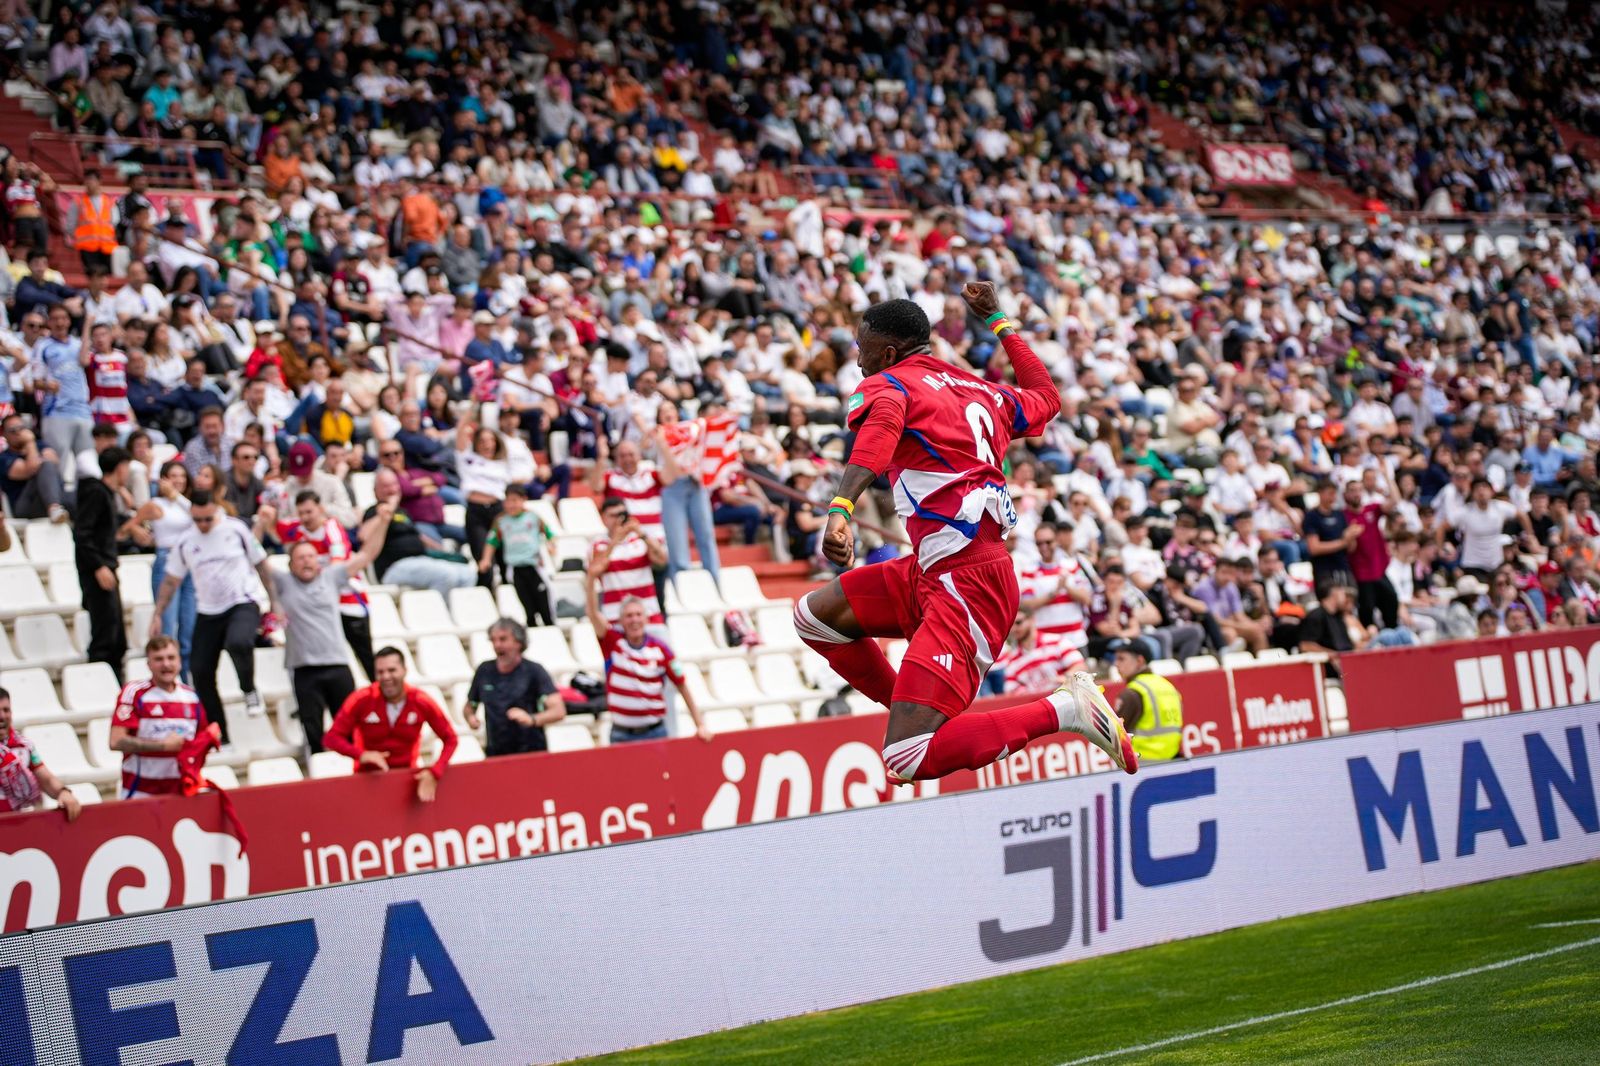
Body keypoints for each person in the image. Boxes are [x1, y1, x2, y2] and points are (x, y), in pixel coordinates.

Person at [795, 283, 1134, 781]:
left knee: (905, 759)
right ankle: (914, 712)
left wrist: (842, 506)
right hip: (937, 570)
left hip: (968, 585)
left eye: (863, 349)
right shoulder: (979, 389)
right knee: (814, 618)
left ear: (888, 352)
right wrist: (998, 319)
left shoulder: (889, 384)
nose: (859, 360)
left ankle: (1066, 710)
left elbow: (880, 432)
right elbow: (1046, 396)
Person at [151, 488, 280, 740]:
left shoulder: (236, 529)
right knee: (199, 670)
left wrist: (275, 602)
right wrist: (157, 613)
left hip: (242, 601)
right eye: (197, 520)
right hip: (209, 610)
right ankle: (219, 733)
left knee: (239, 642)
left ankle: (249, 688)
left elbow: (261, 565)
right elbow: (170, 581)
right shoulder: (186, 541)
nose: (202, 525)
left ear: (216, 510)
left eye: (207, 519)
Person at [273, 501, 394, 752]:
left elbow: (367, 554)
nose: (306, 562)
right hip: (304, 669)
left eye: (310, 556)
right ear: (291, 564)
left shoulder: (331, 576)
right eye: (300, 558)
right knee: (314, 734)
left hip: (337, 665)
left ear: (319, 561)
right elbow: (257, 563)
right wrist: (261, 526)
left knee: (350, 731)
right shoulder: (283, 584)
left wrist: (382, 522)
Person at [323, 646, 456, 802]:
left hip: (406, 780)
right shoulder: (361, 699)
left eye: (392, 670)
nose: (386, 677)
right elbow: (331, 738)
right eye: (380, 672)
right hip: (367, 780)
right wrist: (362, 755)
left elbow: (451, 739)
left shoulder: (421, 701)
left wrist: (435, 772)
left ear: (404, 670)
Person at [267, 489, 376, 679]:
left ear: (320, 509)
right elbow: (276, 531)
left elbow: (337, 565)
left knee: (363, 653)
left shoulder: (332, 529)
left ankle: (376, 689)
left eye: (309, 512)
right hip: (320, 600)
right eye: (301, 513)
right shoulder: (297, 528)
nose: (305, 517)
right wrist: (268, 517)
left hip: (347, 600)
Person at [585, 578, 710, 743]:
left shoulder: (662, 650)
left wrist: (699, 725)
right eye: (629, 616)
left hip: (655, 732)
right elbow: (593, 614)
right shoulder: (612, 642)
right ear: (621, 621)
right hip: (621, 734)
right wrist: (591, 577)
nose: (634, 620)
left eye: (638, 614)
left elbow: (682, 685)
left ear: (646, 619)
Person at [107, 636, 204, 799]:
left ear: (180, 660)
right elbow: (116, 741)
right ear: (149, 664)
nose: (166, 664)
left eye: (171, 658)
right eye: (159, 659)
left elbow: (199, 741)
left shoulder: (192, 697)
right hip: (140, 793)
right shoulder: (134, 692)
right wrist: (164, 745)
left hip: (180, 794)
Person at [463, 618, 567, 756]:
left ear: (518, 642)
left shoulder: (534, 671)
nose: (497, 645)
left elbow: (558, 711)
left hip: (530, 752)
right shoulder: (484, 671)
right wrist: (471, 718)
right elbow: (470, 706)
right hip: (496, 754)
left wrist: (532, 719)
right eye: (493, 640)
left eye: (503, 639)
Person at [362, 469, 477, 592]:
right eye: (386, 486)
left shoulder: (403, 512)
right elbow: (363, 536)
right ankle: (437, 610)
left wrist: (440, 549)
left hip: (420, 560)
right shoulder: (373, 511)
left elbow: (418, 536)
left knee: (468, 574)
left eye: (394, 484)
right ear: (375, 491)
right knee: (447, 575)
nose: (392, 489)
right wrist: (386, 514)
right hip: (393, 567)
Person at [135, 460, 197, 677]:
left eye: (182, 475)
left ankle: (187, 685)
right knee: (168, 629)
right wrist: (139, 532)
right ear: (163, 479)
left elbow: (199, 516)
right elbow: (131, 524)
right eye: (173, 476)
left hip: (190, 566)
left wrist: (176, 496)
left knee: (189, 632)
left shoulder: (188, 503)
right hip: (167, 561)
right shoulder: (156, 503)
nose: (178, 480)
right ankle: (167, 682)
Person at [75, 446, 131, 681]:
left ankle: (113, 684)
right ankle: (99, 684)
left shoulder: (105, 493)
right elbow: (82, 533)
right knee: (105, 635)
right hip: (99, 570)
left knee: (116, 637)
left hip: (106, 567)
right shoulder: (96, 492)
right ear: (120, 468)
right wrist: (98, 566)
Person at [0, 685, 83, 819]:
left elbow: (46, 778)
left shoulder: (23, 746)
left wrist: (63, 792)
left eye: (6, 710)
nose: (2, 716)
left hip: (16, 826)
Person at [479, 483, 554, 626]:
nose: (511, 504)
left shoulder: (533, 517)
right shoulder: (501, 521)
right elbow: (491, 541)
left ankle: (551, 629)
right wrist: (486, 559)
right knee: (527, 607)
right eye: (508, 500)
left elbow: (550, 534)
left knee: (544, 606)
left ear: (523, 499)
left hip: (534, 566)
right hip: (515, 568)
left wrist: (551, 545)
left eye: (515, 500)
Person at [591, 495, 668, 630]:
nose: (618, 519)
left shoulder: (640, 540)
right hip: (615, 619)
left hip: (648, 616)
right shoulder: (598, 544)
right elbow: (595, 570)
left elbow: (662, 561)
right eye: (613, 515)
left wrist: (640, 533)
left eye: (622, 514)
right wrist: (615, 540)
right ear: (603, 518)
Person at [1110, 636, 1184, 763]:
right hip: (1172, 761)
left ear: (1139, 661)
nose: (1116, 664)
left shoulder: (1132, 693)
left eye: (1121, 659)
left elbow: (1114, 736)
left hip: (1142, 763)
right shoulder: (1168, 686)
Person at [0, 413, 70, 523]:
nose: (18, 432)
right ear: (4, 434)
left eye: (21, 428)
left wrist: (34, 458)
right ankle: (54, 508)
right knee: (45, 465)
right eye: (13, 430)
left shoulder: (41, 444)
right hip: (24, 507)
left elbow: (55, 461)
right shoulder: (3, 458)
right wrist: (30, 442)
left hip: (52, 497)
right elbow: (30, 469)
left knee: (83, 494)